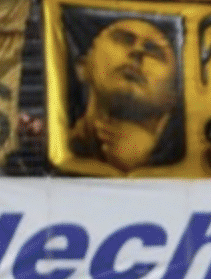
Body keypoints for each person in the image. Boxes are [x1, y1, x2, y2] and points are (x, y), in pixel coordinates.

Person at [67, 15, 182, 173]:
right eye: (123, 39)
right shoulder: (50, 146)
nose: (138, 51)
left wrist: (151, 159)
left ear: (173, 96)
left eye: (155, 51)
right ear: (83, 66)